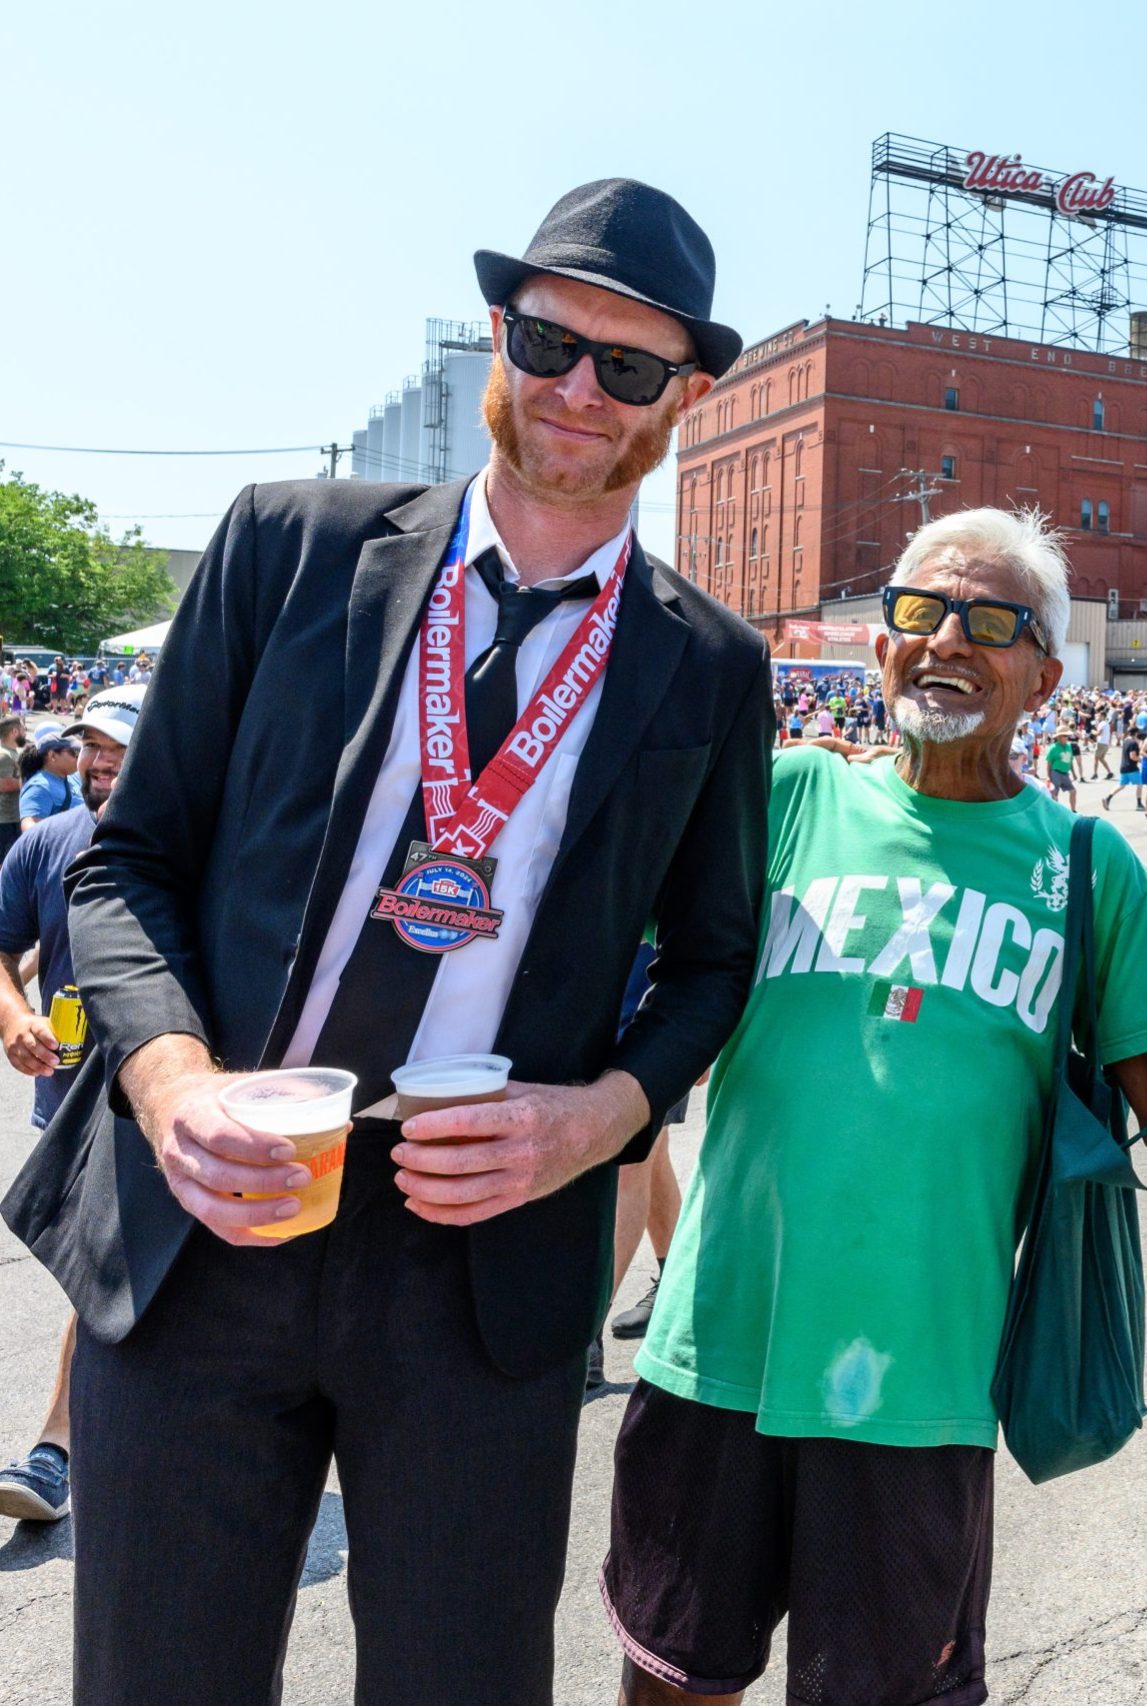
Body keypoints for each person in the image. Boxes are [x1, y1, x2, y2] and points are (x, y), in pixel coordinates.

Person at [2, 179, 772, 1705]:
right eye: (553, 342)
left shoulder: (711, 667)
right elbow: (127, 864)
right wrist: (169, 1086)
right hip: (212, 1209)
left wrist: (598, 1119)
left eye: (629, 369)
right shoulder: (287, 543)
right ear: (500, 331)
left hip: (481, 1260)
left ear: (684, 396)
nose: (577, 390)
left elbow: (711, 966)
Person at [606, 507, 1147, 1705]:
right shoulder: (783, 797)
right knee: (671, 1680)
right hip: (714, 1342)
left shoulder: (1090, 867)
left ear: (1044, 674)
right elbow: (599, 937)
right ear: (878, 645)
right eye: (919, 612)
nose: (946, 640)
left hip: (917, 1384)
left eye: (992, 623)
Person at [0, 686, 138, 1525]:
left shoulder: (206, 840)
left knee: (111, 1273)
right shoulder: (47, 842)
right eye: (89, 745)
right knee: (103, 1275)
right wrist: (14, 1018)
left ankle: (58, 1451)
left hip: (164, 1107)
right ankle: (67, 1450)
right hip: (70, 1094)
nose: (98, 760)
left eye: (119, 745)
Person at [606, 938, 688, 1353]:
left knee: (628, 1159)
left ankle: (586, 1332)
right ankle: (675, 1282)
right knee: (650, 1154)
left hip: (656, 997)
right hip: (603, 977)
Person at [16, 736, 73, 827]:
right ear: (52, 755)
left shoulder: (64, 778)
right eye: (74, 752)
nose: (79, 756)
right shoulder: (40, 787)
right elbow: (31, 828)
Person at [0, 713, 24, 861]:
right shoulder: (4, 755)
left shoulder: (11, 753)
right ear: (14, 732)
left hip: (11, 818)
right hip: (5, 820)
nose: (25, 732)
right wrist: (32, 782)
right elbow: (4, 785)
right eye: (23, 729)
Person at [1043, 725, 1078, 807]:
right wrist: (1048, 776)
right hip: (1056, 773)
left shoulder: (1069, 746)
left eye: (1067, 736)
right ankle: (1054, 811)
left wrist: (1074, 773)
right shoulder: (1053, 748)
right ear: (1059, 737)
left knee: (1073, 791)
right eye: (1064, 736)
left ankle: (1073, 810)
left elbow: (1070, 760)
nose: (1066, 737)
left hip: (1065, 773)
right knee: (1054, 794)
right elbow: (1049, 763)